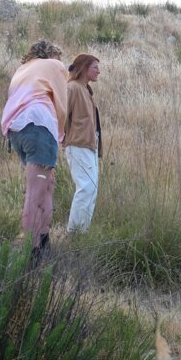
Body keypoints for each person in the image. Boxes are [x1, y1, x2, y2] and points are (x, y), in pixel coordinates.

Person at [0, 39, 68, 260]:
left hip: (17, 130)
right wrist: (61, 135)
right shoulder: (53, 65)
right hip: (39, 124)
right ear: (51, 54)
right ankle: (32, 250)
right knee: (36, 191)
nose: (60, 62)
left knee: (47, 183)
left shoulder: (22, 70)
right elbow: (61, 103)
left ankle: (44, 241)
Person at [63, 54, 102, 233]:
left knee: (91, 189)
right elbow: (61, 116)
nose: (98, 71)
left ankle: (81, 232)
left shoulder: (85, 89)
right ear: (84, 68)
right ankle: (74, 233)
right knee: (86, 188)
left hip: (88, 146)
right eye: (95, 67)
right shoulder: (72, 88)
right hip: (77, 144)